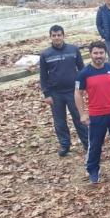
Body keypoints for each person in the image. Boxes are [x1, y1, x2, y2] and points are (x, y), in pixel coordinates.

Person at [75, 41, 110, 183]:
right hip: (96, 114)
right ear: (91, 54)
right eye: (95, 53)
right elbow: (78, 93)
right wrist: (82, 113)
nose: (98, 56)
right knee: (95, 143)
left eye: (101, 53)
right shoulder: (84, 74)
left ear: (105, 53)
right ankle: (93, 169)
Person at [39, 25, 88, 156]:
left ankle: (87, 143)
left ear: (63, 35)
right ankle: (65, 145)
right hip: (55, 93)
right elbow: (43, 76)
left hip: (73, 91)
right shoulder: (45, 54)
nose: (57, 38)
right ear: (50, 37)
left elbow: (82, 69)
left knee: (79, 117)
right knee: (59, 121)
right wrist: (47, 94)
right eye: (54, 35)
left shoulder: (73, 50)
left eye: (59, 35)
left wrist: (83, 87)